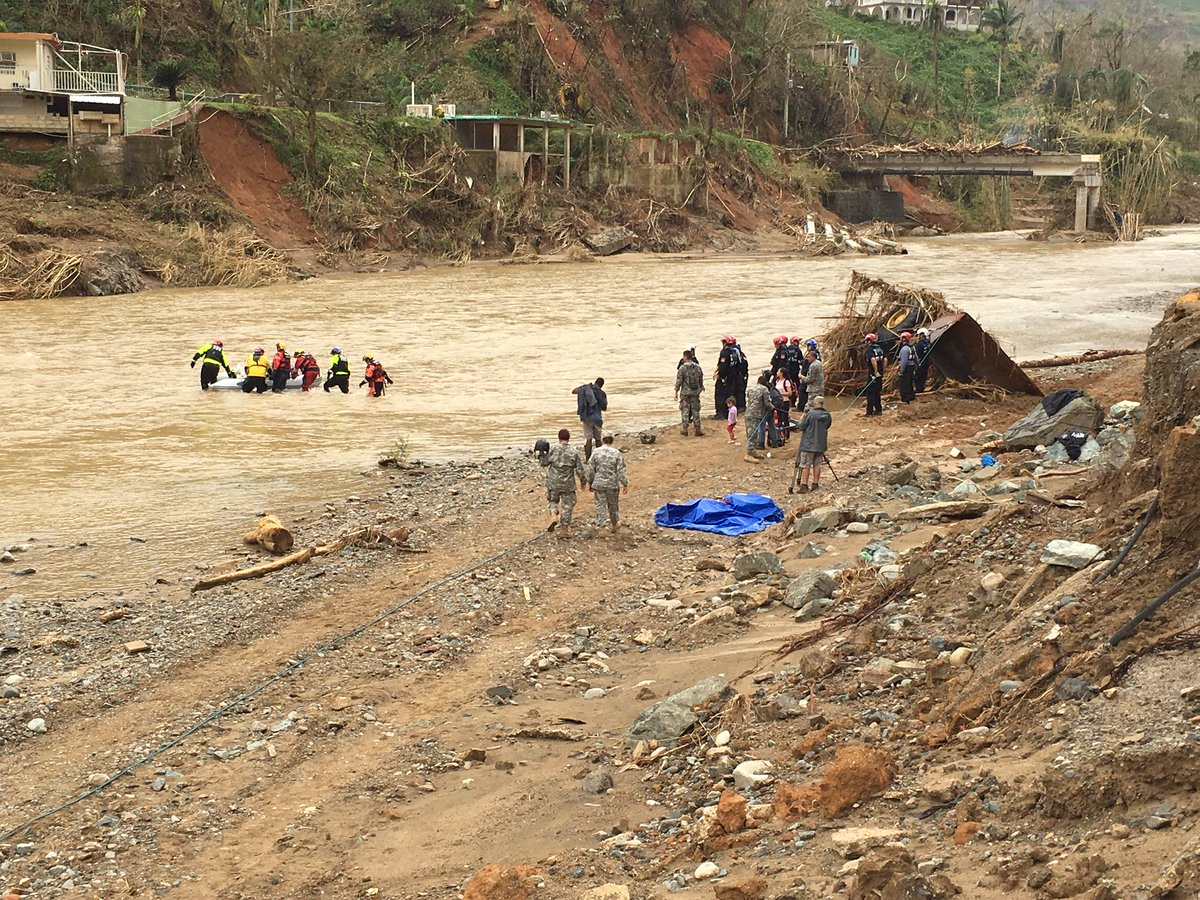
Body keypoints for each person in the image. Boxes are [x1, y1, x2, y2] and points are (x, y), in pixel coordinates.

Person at [538, 428, 587, 535]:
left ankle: (553, 513)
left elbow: (544, 463)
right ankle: (564, 529)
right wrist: (583, 482)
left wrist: (540, 454)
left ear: (559, 438)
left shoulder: (553, 449)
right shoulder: (573, 452)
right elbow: (579, 470)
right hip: (568, 484)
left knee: (552, 501)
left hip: (553, 482)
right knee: (568, 505)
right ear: (568, 438)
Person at [587, 434, 628, 531]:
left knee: (600, 505)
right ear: (612, 441)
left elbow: (591, 469)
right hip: (612, 484)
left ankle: (601, 525)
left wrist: (590, 482)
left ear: (602, 440)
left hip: (599, 483)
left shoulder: (596, 452)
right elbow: (620, 471)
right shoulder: (616, 453)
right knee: (613, 505)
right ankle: (614, 524)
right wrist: (625, 483)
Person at [793, 395, 833, 493]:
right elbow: (827, 426)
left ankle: (804, 485)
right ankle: (815, 484)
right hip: (820, 443)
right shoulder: (827, 414)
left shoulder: (810, 414)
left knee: (806, 465)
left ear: (815, 403)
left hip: (808, 444)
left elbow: (801, 426)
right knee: (817, 464)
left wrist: (802, 418)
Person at [572, 377, 608, 461]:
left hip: (586, 417)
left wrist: (583, 388)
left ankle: (588, 459)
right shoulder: (602, 393)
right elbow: (604, 407)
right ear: (602, 385)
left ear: (595, 382)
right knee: (598, 439)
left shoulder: (585, 388)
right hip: (597, 419)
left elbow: (573, 391)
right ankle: (599, 459)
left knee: (588, 439)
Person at [674, 349, 705, 436]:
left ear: (684, 357)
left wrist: (676, 392)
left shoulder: (682, 368)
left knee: (685, 410)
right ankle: (698, 429)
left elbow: (679, 381)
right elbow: (700, 378)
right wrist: (701, 386)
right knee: (696, 410)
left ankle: (685, 429)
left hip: (685, 392)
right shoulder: (698, 367)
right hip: (695, 392)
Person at [744, 370, 773, 462]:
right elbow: (767, 403)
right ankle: (749, 454)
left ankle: (753, 451)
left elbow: (749, 399)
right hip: (755, 414)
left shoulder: (751, 389)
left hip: (748, 412)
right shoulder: (765, 390)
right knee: (753, 434)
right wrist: (772, 407)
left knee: (751, 432)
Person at [713, 335, 742, 418]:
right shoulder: (735, 352)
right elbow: (739, 366)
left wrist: (719, 375)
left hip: (724, 379)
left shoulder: (725, 353)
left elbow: (723, 366)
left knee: (720, 395)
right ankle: (729, 412)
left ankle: (721, 414)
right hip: (732, 378)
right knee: (730, 394)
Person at [771, 367, 795, 443]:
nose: (777, 372)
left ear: (781, 373)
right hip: (778, 403)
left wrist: (780, 394)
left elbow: (790, 393)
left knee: (785, 418)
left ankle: (787, 435)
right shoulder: (777, 381)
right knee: (779, 419)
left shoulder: (786, 382)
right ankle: (780, 434)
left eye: (778, 371)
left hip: (785, 402)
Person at [864, 333, 885, 417]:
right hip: (880, 374)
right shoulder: (879, 348)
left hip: (873, 374)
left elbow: (873, 360)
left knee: (870, 392)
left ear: (869, 341)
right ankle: (878, 410)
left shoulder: (870, 350)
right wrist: (882, 370)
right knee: (877, 392)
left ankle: (869, 412)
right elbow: (885, 359)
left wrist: (875, 371)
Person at [897, 331, 916, 404]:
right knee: (910, 383)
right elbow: (916, 358)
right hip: (911, 367)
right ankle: (911, 396)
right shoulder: (912, 348)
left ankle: (906, 399)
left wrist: (901, 371)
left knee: (904, 384)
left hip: (906, 368)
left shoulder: (904, 349)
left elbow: (904, 361)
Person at [914, 328, 933, 393]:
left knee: (918, 376)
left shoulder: (920, 344)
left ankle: (918, 389)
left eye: (919, 335)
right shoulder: (928, 343)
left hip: (920, 362)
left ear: (922, 335)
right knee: (923, 376)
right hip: (926, 362)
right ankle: (921, 388)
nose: (918, 336)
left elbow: (916, 353)